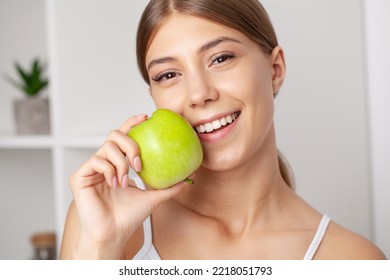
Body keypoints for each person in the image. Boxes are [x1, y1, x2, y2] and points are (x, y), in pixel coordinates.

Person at [60, 0, 386, 260]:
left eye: (221, 58)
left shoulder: (351, 260)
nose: (199, 93)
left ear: (275, 70)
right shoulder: (104, 224)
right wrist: (99, 248)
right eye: (168, 75)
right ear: (154, 96)